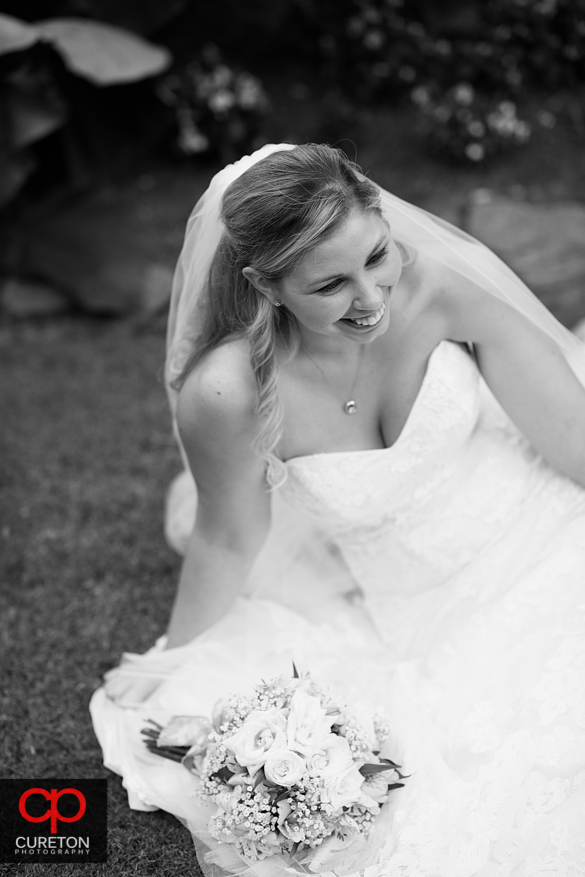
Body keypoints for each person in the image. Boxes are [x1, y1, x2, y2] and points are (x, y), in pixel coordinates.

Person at [90, 143, 585, 876]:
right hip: (421, 608)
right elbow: (228, 536)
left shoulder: (439, 283)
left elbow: (571, 438)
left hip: (541, 525)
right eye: (329, 285)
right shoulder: (228, 392)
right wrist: (175, 652)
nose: (372, 298)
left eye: (377, 256)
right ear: (267, 285)